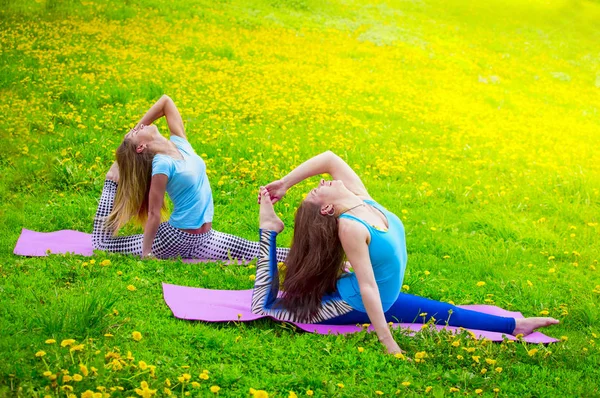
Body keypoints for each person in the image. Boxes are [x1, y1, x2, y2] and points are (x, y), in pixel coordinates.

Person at [251, 151, 558, 354]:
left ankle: (515, 326)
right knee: (264, 307)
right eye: (317, 191)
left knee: (447, 313)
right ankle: (269, 227)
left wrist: (287, 183)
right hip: (349, 304)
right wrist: (388, 341)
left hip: (382, 296)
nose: (319, 182)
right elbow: (369, 287)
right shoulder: (350, 226)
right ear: (329, 207)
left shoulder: (362, 199)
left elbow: (330, 158)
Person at [92, 95, 288, 261]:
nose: (139, 127)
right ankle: (111, 181)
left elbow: (166, 101)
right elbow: (154, 213)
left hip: (205, 238)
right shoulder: (162, 164)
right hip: (174, 239)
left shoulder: (180, 143)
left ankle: (316, 261)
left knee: (261, 252)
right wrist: (147, 253)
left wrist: (135, 131)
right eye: (135, 132)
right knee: (102, 244)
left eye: (135, 129)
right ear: (141, 147)